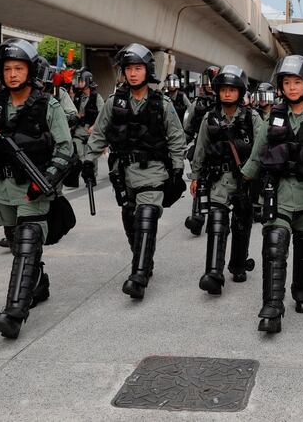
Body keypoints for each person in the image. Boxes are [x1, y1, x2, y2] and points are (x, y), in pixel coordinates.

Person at [0, 38, 74, 339]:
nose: (12, 74)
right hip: (1, 187)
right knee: (16, 244)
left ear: (30, 70)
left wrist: (45, 180)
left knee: (28, 240)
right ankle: (38, 283)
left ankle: (13, 313)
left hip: (33, 186)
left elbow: (65, 149)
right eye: (7, 68)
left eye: (18, 68)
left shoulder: (47, 104)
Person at [242, 55, 303, 334]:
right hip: (279, 192)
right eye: (287, 82)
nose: (292, 87)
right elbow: (258, 153)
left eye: (297, 82)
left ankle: (301, 291)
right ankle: (273, 307)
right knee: (275, 241)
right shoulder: (272, 116)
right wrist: (243, 184)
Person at [82, 43, 186, 300]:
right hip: (123, 173)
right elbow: (99, 134)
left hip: (153, 171)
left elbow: (175, 137)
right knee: (131, 220)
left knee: (146, 217)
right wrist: (88, 161)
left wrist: (177, 170)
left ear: (147, 70)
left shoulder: (161, 103)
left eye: (138, 68)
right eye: (129, 68)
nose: (133, 73)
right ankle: (144, 261)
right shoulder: (113, 102)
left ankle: (138, 276)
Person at [190, 65, 263, 294]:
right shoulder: (209, 118)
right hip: (218, 179)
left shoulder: (252, 117)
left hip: (245, 180)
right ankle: (213, 272)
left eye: (232, 89)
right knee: (217, 223)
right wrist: (195, 176)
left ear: (240, 92)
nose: (227, 94)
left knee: (242, 224)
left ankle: (239, 265)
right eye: (224, 89)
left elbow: (262, 148)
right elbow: (200, 148)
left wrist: (254, 174)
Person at [183, 66, 219, 236]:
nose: (211, 85)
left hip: (221, 151)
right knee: (199, 182)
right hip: (200, 150)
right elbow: (188, 129)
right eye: (208, 81)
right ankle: (197, 216)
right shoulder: (197, 104)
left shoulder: (227, 103)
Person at [66, 71, 103, 188]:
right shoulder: (78, 97)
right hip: (78, 129)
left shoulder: (96, 97)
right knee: (77, 154)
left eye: (81, 81)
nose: (79, 83)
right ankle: (77, 176)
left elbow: (102, 114)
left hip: (91, 130)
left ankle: (91, 177)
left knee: (90, 156)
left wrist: (94, 127)